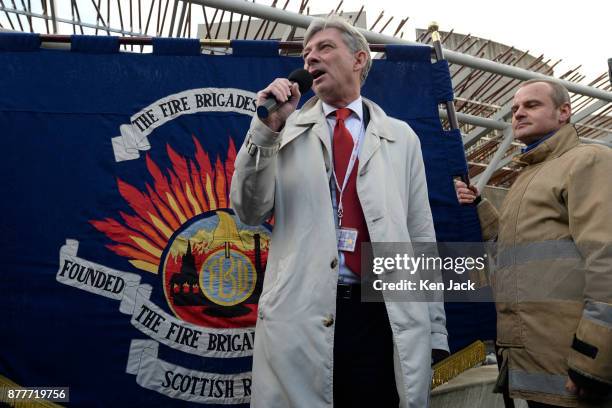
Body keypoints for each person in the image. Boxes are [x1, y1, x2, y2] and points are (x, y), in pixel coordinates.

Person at [231, 15, 449, 408]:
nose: (311, 57)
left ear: (359, 59)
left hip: (379, 313)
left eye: (324, 47)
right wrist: (265, 130)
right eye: (306, 52)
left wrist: (434, 330)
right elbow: (248, 211)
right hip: (305, 312)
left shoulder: (401, 137)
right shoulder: (284, 128)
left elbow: (420, 235)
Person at [456, 79, 612, 407]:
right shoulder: (527, 176)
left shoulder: (589, 161)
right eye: (514, 109)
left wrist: (594, 361)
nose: (518, 114)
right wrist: (480, 206)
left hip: (575, 371)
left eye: (532, 105)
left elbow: (606, 260)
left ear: (564, 112)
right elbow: (516, 251)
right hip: (536, 367)